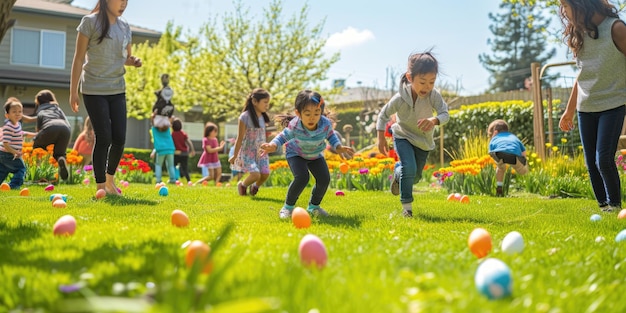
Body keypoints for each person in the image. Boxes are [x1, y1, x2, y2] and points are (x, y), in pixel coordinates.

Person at [558, 0, 626, 212]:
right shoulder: (580, 34)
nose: (563, 12)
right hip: (585, 108)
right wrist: (569, 111)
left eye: (565, 6)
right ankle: (604, 208)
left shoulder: (616, 28)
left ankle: (615, 207)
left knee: (603, 159)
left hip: (613, 103)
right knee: (591, 166)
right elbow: (582, 76)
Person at [69, 0, 142, 195]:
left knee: (119, 138)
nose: (124, 4)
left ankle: (110, 182)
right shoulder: (89, 22)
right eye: (120, 0)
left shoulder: (125, 27)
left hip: (117, 88)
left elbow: (124, 58)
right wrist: (73, 91)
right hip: (93, 88)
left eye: (126, 1)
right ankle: (100, 186)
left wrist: (133, 61)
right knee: (104, 137)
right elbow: (78, 58)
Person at [376, 51, 450, 218]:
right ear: (410, 78)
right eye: (422, 82)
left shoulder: (433, 95)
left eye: (431, 82)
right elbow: (383, 115)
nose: (427, 87)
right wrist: (381, 138)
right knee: (409, 168)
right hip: (403, 135)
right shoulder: (400, 98)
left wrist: (434, 120)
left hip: (423, 141)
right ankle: (407, 209)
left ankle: (397, 173)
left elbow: (445, 114)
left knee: (414, 176)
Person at [260, 90, 355, 219]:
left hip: (315, 155)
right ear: (298, 113)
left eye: (317, 113)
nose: (312, 117)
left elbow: (331, 135)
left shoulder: (325, 124)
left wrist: (338, 147)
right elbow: (283, 136)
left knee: (324, 179)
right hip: (296, 154)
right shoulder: (295, 125)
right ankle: (287, 208)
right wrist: (273, 145)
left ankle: (314, 207)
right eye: (307, 113)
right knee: (302, 178)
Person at [229, 88, 272, 196]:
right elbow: (239, 138)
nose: (267, 105)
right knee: (255, 175)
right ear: (254, 102)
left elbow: (262, 136)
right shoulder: (244, 117)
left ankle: (255, 187)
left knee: (265, 174)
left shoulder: (262, 117)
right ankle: (242, 185)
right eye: (265, 102)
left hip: (261, 151)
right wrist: (234, 156)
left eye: (268, 102)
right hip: (248, 152)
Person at [32, 90, 72, 181]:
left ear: (38, 102)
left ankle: (37, 173)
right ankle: (61, 159)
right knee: (59, 154)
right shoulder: (57, 108)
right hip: (65, 129)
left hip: (49, 127)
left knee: (37, 147)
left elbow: (38, 130)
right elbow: (67, 122)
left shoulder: (41, 110)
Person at [0, 98, 37, 189]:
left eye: (20, 111)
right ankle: (13, 186)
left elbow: (22, 134)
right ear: (7, 115)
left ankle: (8, 186)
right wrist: (15, 152)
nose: (17, 114)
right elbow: (5, 143)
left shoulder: (17, 124)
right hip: (7, 153)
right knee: (21, 169)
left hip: (6, 154)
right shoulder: (8, 127)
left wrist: (36, 134)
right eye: (14, 112)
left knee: (3, 170)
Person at [487, 119, 528, 197]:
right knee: (523, 171)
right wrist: (523, 162)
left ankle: (499, 186)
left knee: (500, 168)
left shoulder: (494, 139)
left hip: (499, 154)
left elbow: (490, 151)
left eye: (490, 135)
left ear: (495, 132)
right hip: (514, 156)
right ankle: (527, 186)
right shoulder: (513, 137)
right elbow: (523, 152)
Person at [171, 118, 195, 186]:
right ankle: (188, 180)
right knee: (185, 168)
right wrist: (192, 150)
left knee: (173, 166)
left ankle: (174, 179)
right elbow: (189, 142)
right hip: (184, 153)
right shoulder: (183, 133)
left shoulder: (172, 134)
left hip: (176, 153)